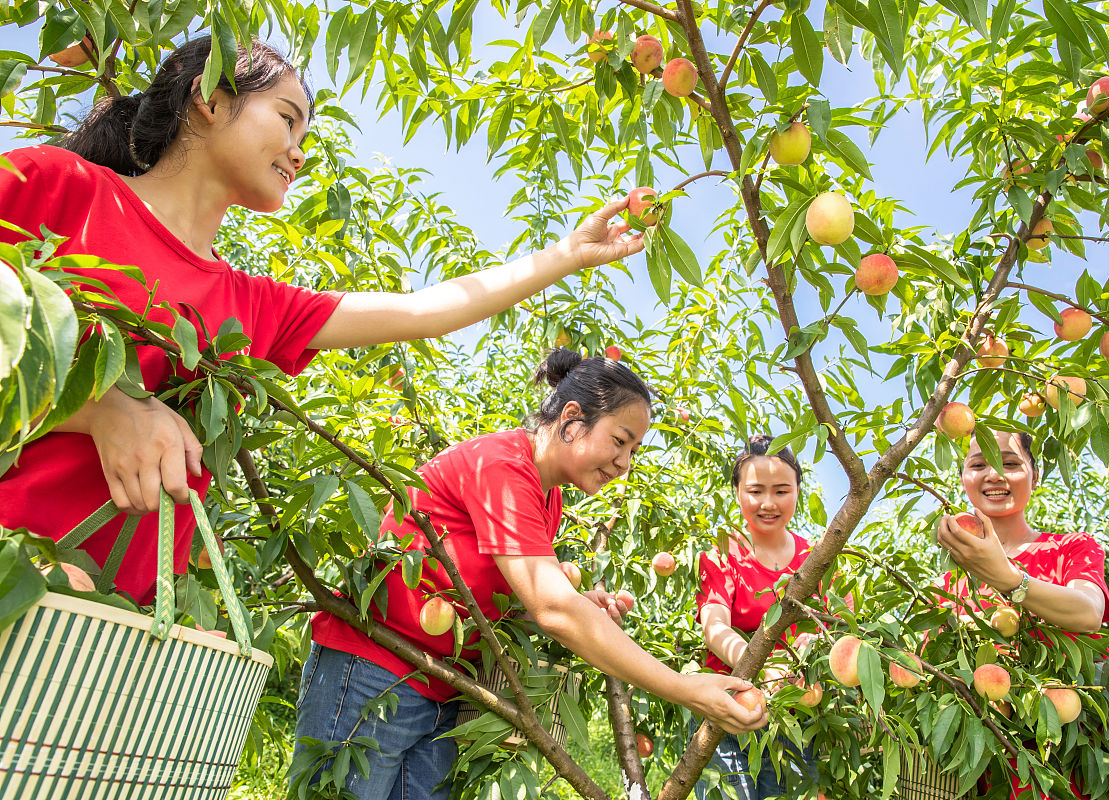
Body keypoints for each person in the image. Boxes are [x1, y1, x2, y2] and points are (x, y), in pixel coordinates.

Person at [0, 36, 644, 605]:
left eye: (305, 137)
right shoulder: (61, 189)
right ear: (210, 99)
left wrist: (568, 254)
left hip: (121, 616)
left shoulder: (251, 306)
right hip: (17, 565)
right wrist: (102, 409)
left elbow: (428, 311)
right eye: (287, 119)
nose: (298, 152)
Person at [296, 350, 769, 800]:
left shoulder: (549, 497)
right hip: (373, 669)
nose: (625, 463)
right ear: (572, 419)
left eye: (634, 450)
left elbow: (521, 597)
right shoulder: (503, 465)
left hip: (442, 685)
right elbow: (552, 608)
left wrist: (576, 603)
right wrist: (685, 689)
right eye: (620, 441)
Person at [937, 429, 1109, 798]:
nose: (993, 474)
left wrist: (1007, 578)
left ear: (1035, 477)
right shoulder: (952, 581)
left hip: (1085, 751)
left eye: (1009, 463)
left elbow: (1088, 611)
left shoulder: (1070, 548)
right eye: (979, 465)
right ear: (963, 477)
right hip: (996, 758)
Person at [693, 434, 815, 800]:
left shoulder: (816, 558)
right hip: (727, 708)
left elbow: (834, 629)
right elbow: (714, 627)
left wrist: (811, 647)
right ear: (737, 493)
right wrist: (763, 666)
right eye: (755, 491)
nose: (768, 503)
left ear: (798, 491)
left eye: (781, 491)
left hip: (796, 715)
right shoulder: (722, 553)